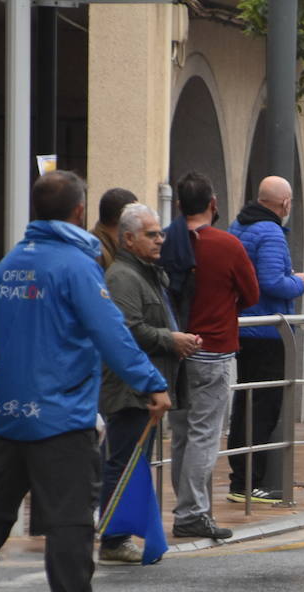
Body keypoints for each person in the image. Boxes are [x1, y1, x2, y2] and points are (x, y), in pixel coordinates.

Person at [0, 171, 171, 592]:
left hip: (9, 412)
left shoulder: (10, 263)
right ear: (80, 212)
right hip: (60, 414)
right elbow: (110, 332)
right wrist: (150, 383)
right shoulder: (76, 267)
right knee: (72, 519)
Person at [98, 203, 201, 564]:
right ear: (128, 238)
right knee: (124, 462)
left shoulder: (146, 273)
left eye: (160, 232)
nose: (161, 239)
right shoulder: (123, 276)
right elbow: (126, 330)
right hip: (130, 388)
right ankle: (113, 538)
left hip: (147, 383)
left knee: (132, 461)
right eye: (151, 234)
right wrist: (170, 340)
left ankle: (120, 533)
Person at [163, 171, 258, 541]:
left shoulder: (165, 242)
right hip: (214, 350)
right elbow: (251, 295)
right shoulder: (227, 245)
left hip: (174, 351)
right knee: (205, 435)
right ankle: (192, 513)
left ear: (177, 205)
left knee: (182, 434)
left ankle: (185, 507)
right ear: (213, 204)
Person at [228, 176, 304, 503]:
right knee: (264, 407)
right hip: (267, 331)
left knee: (245, 402)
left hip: (244, 327)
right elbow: (272, 282)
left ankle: (240, 478)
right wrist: (298, 282)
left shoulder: (239, 225)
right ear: (285, 204)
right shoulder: (272, 233)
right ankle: (249, 483)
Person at [90, 187, 138, 270]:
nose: (138, 220)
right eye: (134, 215)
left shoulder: (115, 244)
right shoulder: (95, 251)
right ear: (120, 218)